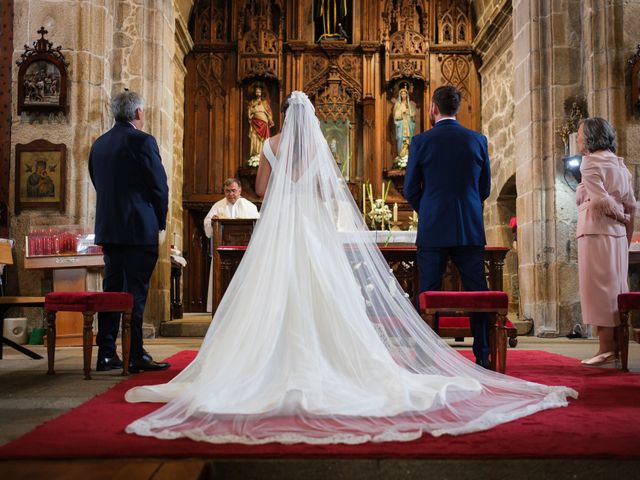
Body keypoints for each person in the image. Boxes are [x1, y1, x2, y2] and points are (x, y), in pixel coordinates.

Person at [124, 91, 576, 445]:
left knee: (273, 291)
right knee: (324, 291)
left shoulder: (271, 143)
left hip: (281, 231)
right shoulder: (319, 146)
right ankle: (344, 358)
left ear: (282, 115)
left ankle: (262, 360)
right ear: (311, 119)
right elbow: (326, 192)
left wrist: (283, 185)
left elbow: (261, 188)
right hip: (313, 232)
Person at [404, 85, 492, 368]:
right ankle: (483, 354)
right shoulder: (478, 140)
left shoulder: (420, 142)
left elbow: (409, 188)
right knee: (478, 292)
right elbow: (485, 188)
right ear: (457, 108)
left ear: (433, 108)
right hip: (469, 227)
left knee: (428, 291)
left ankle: (425, 356)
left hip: (433, 229)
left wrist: (428, 210)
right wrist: (467, 207)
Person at [89, 90, 170, 373]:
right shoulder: (142, 141)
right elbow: (159, 186)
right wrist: (158, 220)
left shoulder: (99, 144)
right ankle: (135, 353)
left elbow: (98, 183)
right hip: (138, 229)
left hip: (110, 230)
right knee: (135, 293)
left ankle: (107, 353)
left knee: (112, 291)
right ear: (138, 113)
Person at [576, 117, 636, 366]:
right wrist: (626, 231)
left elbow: (601, 201)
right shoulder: (619, 164)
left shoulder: (590, 163)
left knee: (598, 290)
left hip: (596, 232)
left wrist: (620, 216)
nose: (578, 139)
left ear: (590, 137)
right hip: (618, 235)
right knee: (615, 289)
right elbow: (631, 203)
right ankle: (616, 348)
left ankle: (606, 348)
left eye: (579, 135)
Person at [203, 178, 259, 312]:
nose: (230, 194)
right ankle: (221, 308)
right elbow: (207, 225)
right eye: (227, 191)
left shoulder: (250, 207)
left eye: (233, 191)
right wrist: (212, 221)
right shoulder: (217, 206)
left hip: (245, 254)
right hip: (222, 254)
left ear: (240, 191)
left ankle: (245, 309)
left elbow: (257, 227)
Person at [247, 86, 274, 165]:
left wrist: (270, 119)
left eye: (259, 92)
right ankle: (255, 155)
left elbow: (269, 112)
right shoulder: (252, 102)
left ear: (261, 93)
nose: (257, 93)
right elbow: (249, 112)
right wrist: (253, 107)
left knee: (264, 140)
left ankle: (263, 155)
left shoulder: (264, 103)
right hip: (255, 123)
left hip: (264, 123)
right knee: (255, 138)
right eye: (256, 92)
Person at [392, 86, 417, 161]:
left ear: (407, 95)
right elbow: (395, 116)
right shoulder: (398, 104)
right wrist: (401, 113)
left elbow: (413, 114)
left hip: (408, 125)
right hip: (401, 126)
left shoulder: (409, 105)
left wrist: (412, 115)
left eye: (405, 94)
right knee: (400, 138)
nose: (403, 95)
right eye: (402, 94)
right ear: (400, 95)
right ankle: (401, 157)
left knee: (409, 140)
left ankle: (408, 157)